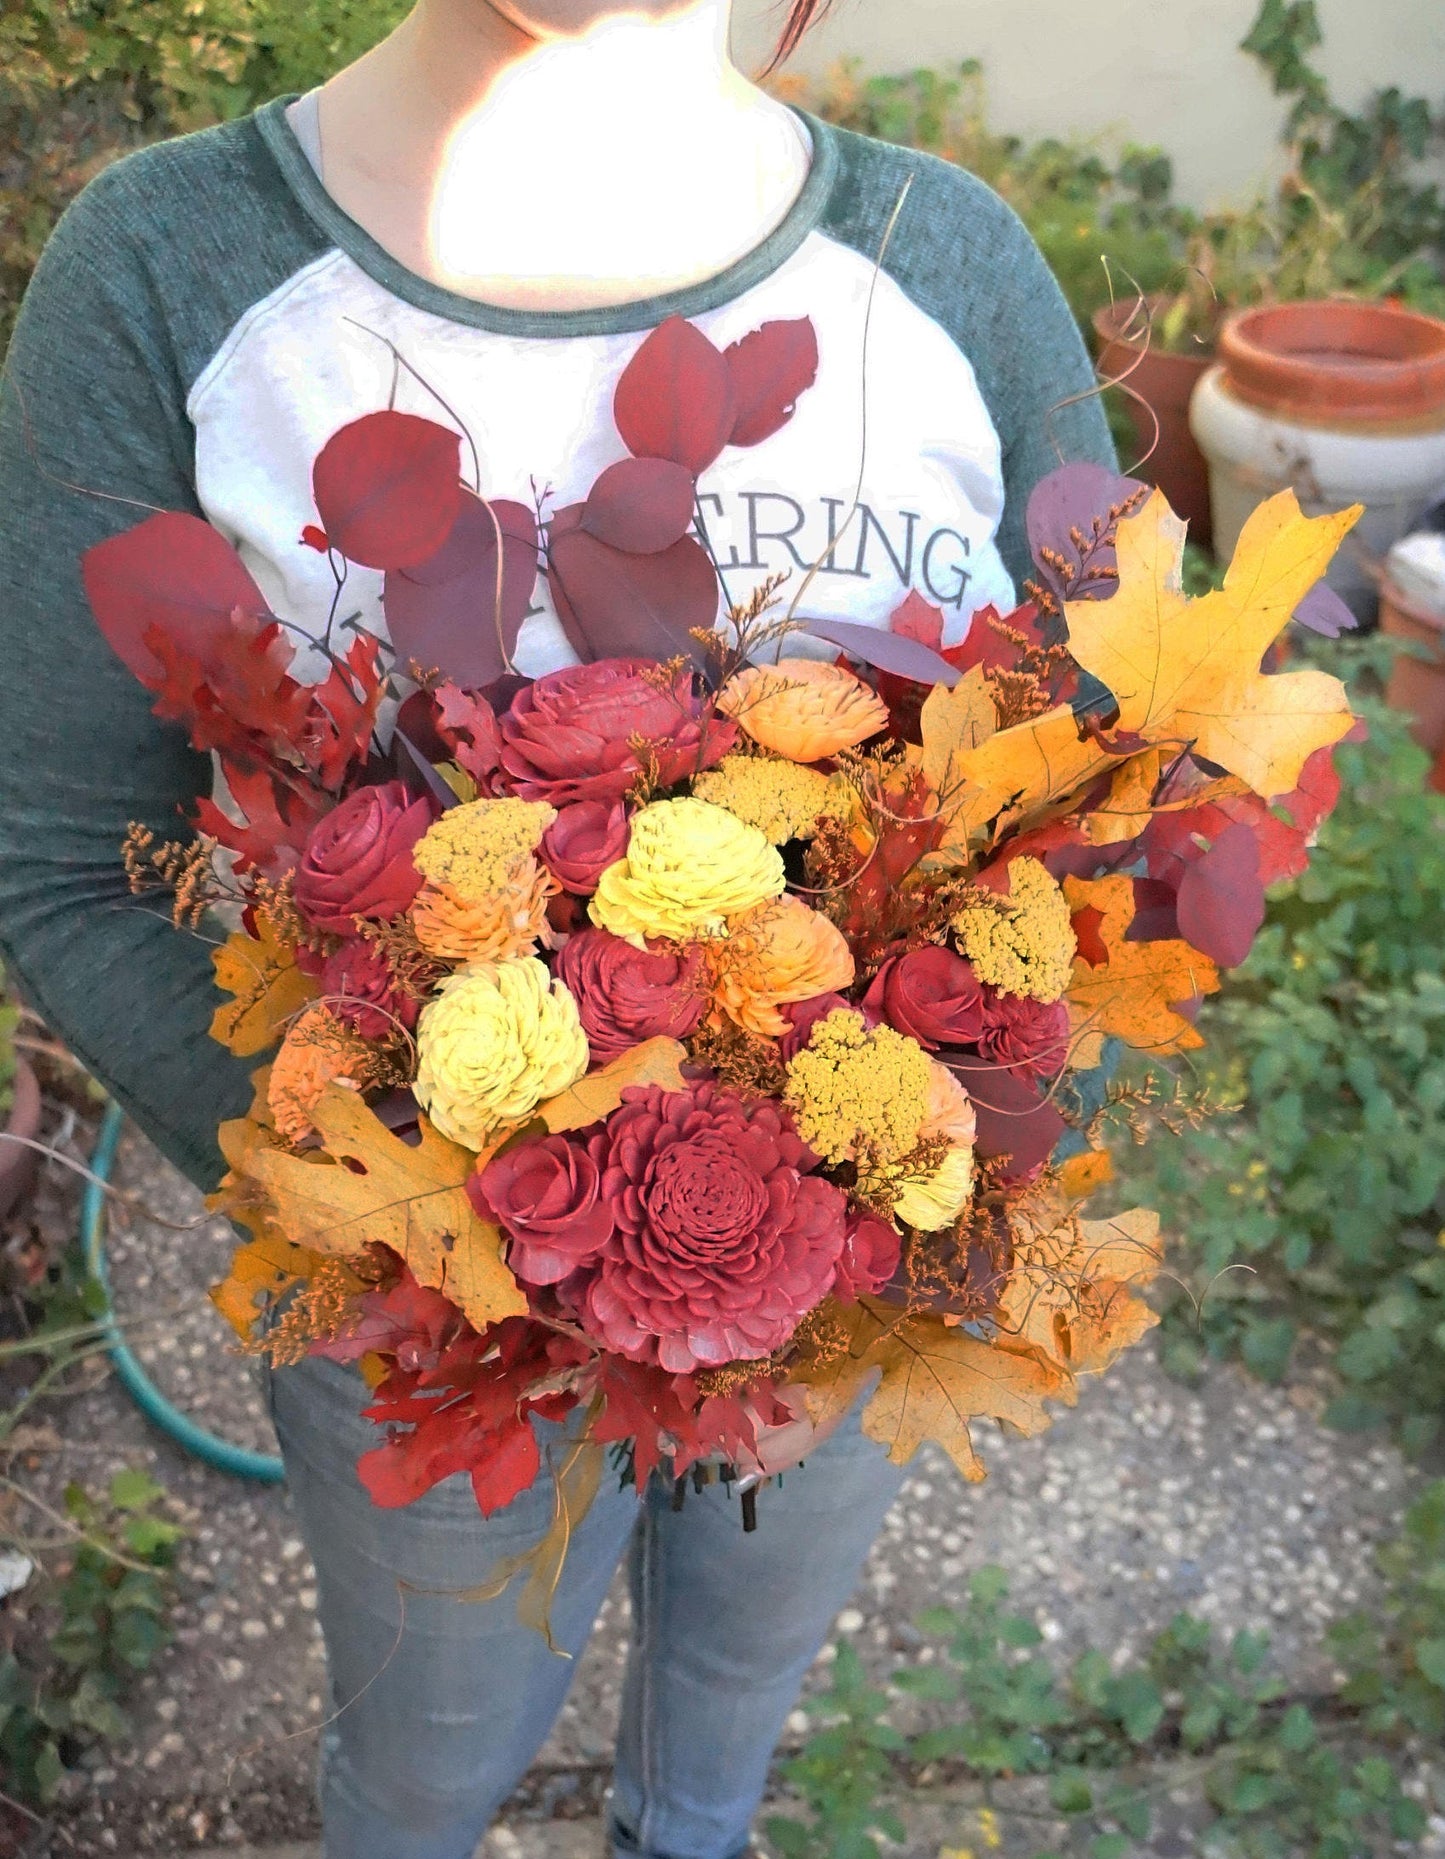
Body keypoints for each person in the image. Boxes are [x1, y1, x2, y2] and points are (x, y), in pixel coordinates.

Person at [0, 3, 1115, 1854]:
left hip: (855, 1304)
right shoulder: (175, 268)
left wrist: (865, 1238)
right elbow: (61, 854)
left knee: (738, 1680)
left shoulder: (941, 269)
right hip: (417, 1327)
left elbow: (1097, 817)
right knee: (434, 1749)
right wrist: (430, 1239)